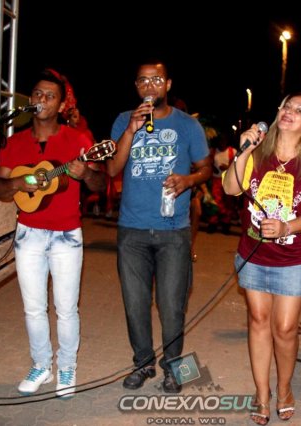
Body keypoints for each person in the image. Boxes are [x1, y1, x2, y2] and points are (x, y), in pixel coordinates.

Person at [0, 69, 106, 398]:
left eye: (50, 96)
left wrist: (86, 174)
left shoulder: (78, 141)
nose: (42, 99)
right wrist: (19, 183)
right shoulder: (16, 142)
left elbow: (101, 183)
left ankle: (67, 366)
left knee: (66, 309)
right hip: (28, 233)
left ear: (61, 105)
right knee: (33, 308)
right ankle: (41, 365)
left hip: (66, 235)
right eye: (38, 94)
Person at [106, 60, 212, 393]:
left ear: (167, 84)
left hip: (173, 231)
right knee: (135, 304)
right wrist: (130, 130)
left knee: (171, 306)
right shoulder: (124, 120)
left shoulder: (187, 125)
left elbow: (206, 168)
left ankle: (174, 368)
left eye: (156, 80)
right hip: (132, 230)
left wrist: (188, 180)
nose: (149, 86)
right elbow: (112, 170)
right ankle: (143, 363)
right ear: (136, 87)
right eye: (143, 81)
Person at [223, 93, 301, 424]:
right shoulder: (257, 153)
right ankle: (261, 393)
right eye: (286, 106)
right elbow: (230, 188)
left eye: (299, 110)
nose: (289, 112)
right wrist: (244, 151)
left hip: (294, 258)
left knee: (284, 328)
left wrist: (286, 227)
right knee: (258, 320)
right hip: (254, 253)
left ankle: (284, 388)